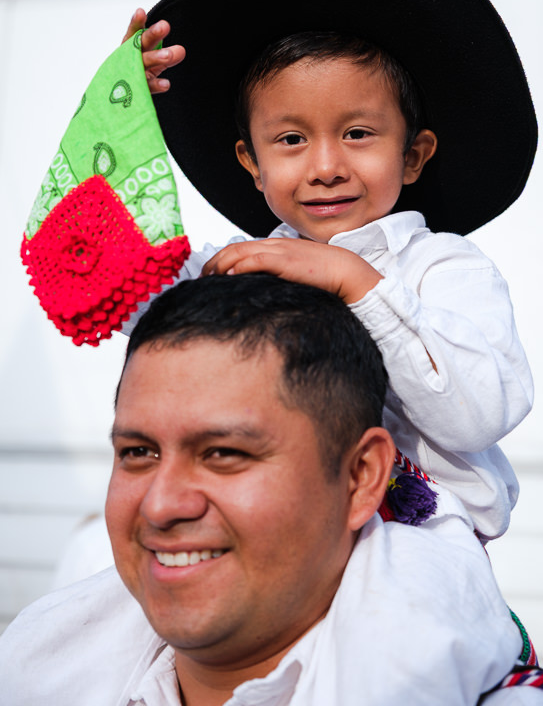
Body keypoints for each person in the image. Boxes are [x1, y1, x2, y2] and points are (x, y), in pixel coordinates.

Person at [117, 0, 536, 546]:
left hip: (422, 541)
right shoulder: (241, 269)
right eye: (291, 140)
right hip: (279, 535)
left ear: (413, 155)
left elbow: (480, 415)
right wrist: (117, 120)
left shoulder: (445, 268)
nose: (325, 167)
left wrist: (357, 283)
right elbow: (114, 282)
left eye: (358, 133)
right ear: (252, 163)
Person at [0, 273, 539, 704]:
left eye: (224, 454)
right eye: (138, 453)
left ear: (360, 478)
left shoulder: (449, 677)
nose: (161, 505)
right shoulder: (38, 671)